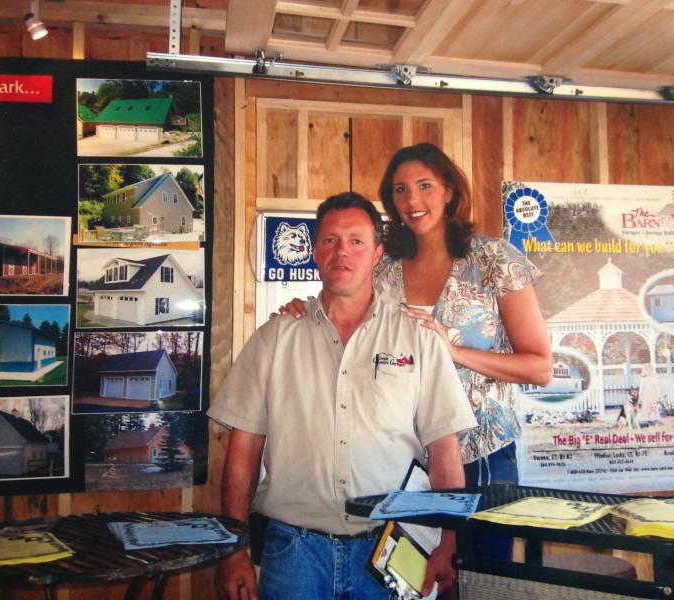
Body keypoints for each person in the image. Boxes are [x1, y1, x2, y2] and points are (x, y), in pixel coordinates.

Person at [209, 192, 476, 600]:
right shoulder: (274, 338)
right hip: (293, 553)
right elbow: (243, 448)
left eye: (356, 241)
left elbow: (445, 450)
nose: (342, 252)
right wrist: (234, 549)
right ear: (315, 251)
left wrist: (448, 543)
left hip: (389, 550)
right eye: (330, 240)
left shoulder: (418, 338)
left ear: (377, 253)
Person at [280, 143, 552, 489]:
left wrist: (454, 353)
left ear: (450, 191)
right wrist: (300, 310)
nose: (412, 201)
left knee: (476, 546)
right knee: (407, 546)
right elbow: (342, 314)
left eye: (425, 185)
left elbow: (540, 368)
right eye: (400, 190)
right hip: (397, 456)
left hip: (482, 455)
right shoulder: (383, 269)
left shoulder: (495, 259)